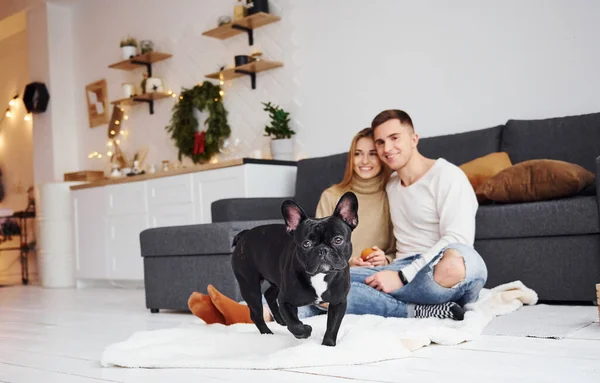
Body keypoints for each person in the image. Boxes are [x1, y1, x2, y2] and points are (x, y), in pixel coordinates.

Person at [188, 127, 466, 324]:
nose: (365, 160)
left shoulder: (391, 192)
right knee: (322, 289)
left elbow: (397, 244)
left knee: (343, 293)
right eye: (358, 153)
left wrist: (386, 257)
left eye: (372, 153)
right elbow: (313, 243)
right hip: (336, 269)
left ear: (382, 157)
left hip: (376, 268)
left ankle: (257, 314)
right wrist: (346, 261)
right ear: (350, 157)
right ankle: (249, 311)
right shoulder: (332, 196)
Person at [343, 109, 488, 319]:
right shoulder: (391, 185)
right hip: (402, 265)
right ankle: (418, 309)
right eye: (380, 142)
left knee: (453, 267)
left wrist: (401, 277)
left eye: (394, 138)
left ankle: (379, 298)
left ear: (414, 139)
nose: (387, 148)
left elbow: (458, 239)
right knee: (326, 279)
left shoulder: (448, 176)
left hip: (440, 268)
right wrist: (389, 267)